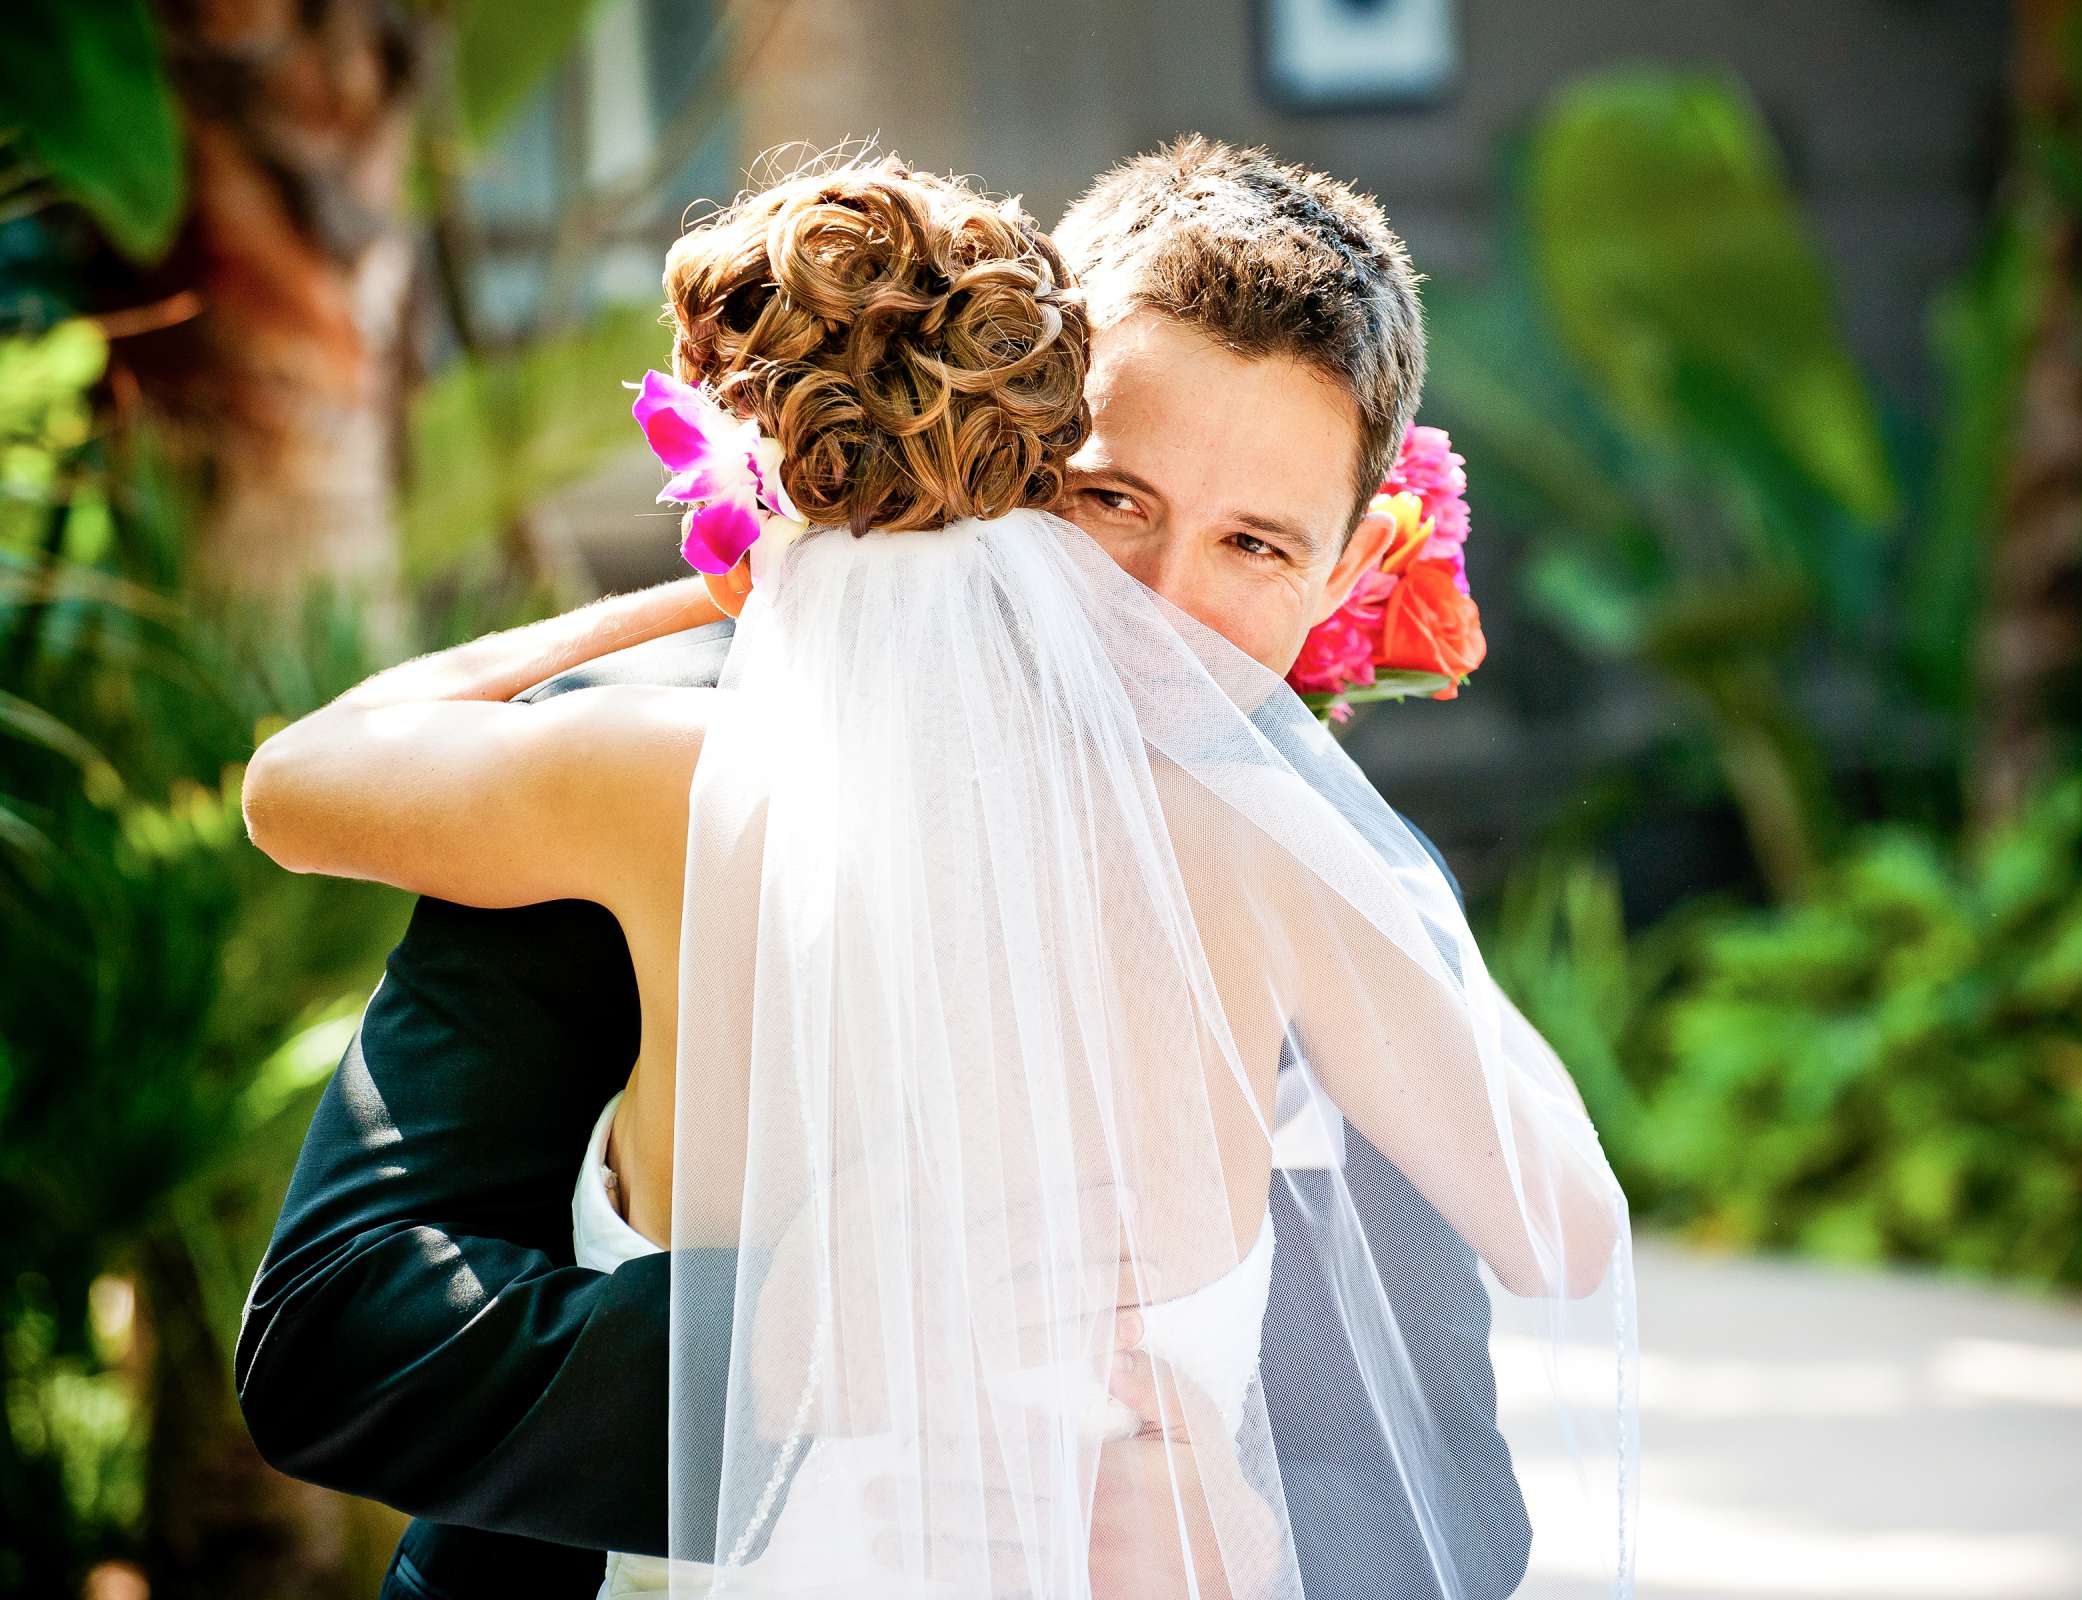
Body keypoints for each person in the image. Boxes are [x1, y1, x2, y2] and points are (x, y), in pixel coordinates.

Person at [236, 139, 1634, 1599]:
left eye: (1254, 546)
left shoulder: (1301, 870)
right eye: (1110, 502)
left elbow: (1448, 1497)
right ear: (1013, 454)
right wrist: (777, 1346)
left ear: (1350, 571)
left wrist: (1244, 1531)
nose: (1159, 607)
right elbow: (348, 1336)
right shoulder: (666, 777)